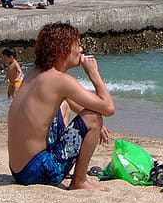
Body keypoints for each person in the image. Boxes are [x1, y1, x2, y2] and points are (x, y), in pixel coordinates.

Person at [7, 22, 115, 190]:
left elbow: (68, 100)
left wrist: (83, 118)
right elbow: (108, 108)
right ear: (63, 50)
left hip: (18, 170)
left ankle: (77, 176)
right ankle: (79, 181)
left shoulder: (35, 74)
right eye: (77, 45)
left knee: (64, 105)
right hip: (38, 171)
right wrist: (93, 73)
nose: (81, 49)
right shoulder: (61, 80)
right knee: (94, 118)